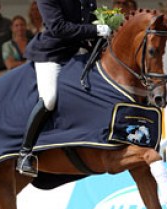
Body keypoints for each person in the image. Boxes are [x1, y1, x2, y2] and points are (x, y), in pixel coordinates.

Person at [17, 0, 112, 177]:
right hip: (53, 54)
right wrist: (97, 30)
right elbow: (58, 28)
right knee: (49, 99)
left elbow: (91, 22)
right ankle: (26, 153)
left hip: (81, 52)